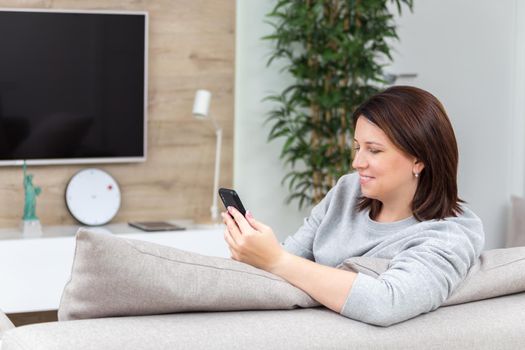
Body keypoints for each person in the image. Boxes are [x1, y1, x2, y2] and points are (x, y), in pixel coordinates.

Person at [221, 85, 485, 327]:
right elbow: (292, 255)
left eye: (374, 150)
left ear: (419, 160)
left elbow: (387, 303)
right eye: (357, 147)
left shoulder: (449, 237)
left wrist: (276, 260)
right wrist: (255, 251)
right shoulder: (347, 191)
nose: (357, 162)